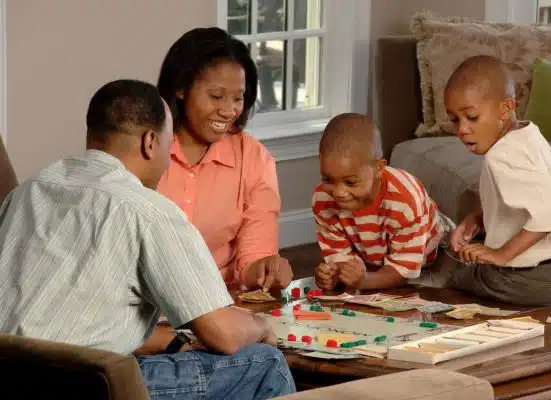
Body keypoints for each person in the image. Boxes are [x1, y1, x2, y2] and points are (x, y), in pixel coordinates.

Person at [0, 79, 296, 399]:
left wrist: (174, 342)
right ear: (150, 142)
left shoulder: (28, 193)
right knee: (264, 362)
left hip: (8, 376)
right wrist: (260, 325)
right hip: (83, 388)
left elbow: (72, 320)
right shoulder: (149, 211)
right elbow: (222, 334)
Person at [156, 27, 292, 291]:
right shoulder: (147, 147)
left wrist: (265, 269)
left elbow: (253, 257)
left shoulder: (254, 158)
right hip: (147, 307)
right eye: (216, 96)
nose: (229, 110)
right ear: (182, 88)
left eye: (238, 98)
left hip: (217, 304)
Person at [444, 55, 551, 306]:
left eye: (472, 117)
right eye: (455, 120)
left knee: (450, 272)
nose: (462, 129)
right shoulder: (529, 134)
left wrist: (501, 254)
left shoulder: (501, 156)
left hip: (529, 278)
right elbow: (536, 196)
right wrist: (478, 217)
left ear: (505, 108)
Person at [312, 113, 456, 291]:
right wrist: (335, 275)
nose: (339, 193)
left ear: (378, 168)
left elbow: (401, 271)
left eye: (350, 182)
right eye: (327, 180)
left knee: (431, 294)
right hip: (378, 257)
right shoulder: (323, 200)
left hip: (436, 253)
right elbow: (343, 263)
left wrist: (364, 281)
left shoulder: (405, 199)